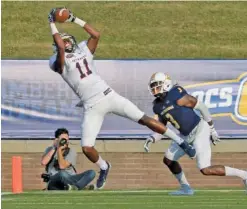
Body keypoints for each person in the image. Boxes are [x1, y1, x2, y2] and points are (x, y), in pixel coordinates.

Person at [47, 8, 196, 190]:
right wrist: (52, 23)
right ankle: (104, 166)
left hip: (108, 94)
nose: (66, 43)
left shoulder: (84, 50)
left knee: (144, 119)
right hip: (91, 105)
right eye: (63, 41)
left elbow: (96, 34)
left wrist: (73, 18)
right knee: (87, 147)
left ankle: (181, 142)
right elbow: (61, 48)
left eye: (68, 40)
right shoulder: (56, 60)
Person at [144, 72, 247, 195]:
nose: (155, 89)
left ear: (166, 84)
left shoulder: (176, 94)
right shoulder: (157, 106)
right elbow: (162, 127)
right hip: (184, 135)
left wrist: (212, 128)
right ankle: (186, 188)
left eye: (157, 85)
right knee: (168, 160)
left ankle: (246, 174)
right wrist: (153, 137)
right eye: (153, 86)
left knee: (205, 169)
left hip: (199, 129)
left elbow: (201, 107)